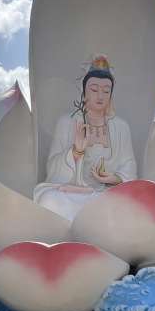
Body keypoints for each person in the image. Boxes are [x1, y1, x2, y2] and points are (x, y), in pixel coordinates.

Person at [33, 55, 137, 221]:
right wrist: (76, 151)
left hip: (104, 194)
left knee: (128, 206)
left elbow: (129, 168)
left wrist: (113, 178)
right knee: (49, 200)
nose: (100, 96)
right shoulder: (67, 122)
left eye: (106, 91)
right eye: (94, 90)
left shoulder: (121, 127)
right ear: (83, 92)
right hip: (72, 193)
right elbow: (52, 168)